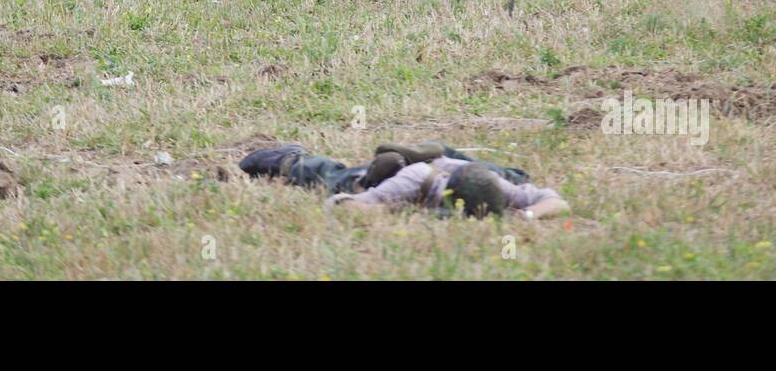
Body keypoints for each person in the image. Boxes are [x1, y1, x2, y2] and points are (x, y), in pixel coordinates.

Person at [241, 141, 566, 219]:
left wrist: (528, 216)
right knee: (337, 178)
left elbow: (558, 203)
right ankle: (288, 157)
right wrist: (402, 211)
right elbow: (341, 207)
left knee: (517, 175)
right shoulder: (414, 181)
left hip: (446, 161)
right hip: (411, 175)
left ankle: (431, 149)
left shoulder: (500, 187)